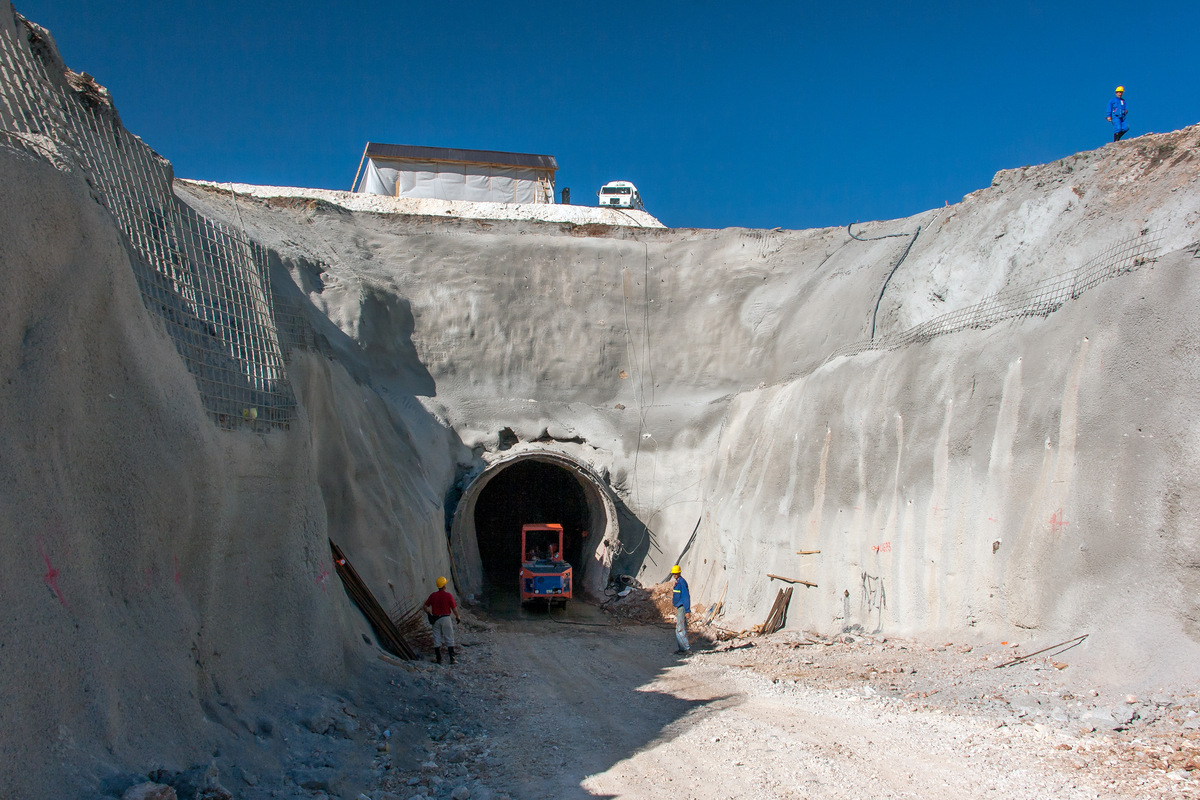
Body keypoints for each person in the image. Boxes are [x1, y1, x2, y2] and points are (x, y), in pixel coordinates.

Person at [423, 576, 461, 664]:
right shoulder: (448, 595)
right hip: (446, 618)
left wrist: (429, 613)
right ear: (444, 585)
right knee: (449, 637)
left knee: (437, 638)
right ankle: (452, 658)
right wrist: (458, 617)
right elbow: (454, 609)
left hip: (436, 619)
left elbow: (425, 607)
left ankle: (439, 658)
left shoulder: (433, 595)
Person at [670, 565, 691, 653]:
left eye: (676, 573)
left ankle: (686, 649)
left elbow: (686, 597)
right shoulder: (678, 582)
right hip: (679, 607)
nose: (674, 575)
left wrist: (687, 610)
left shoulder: (682, 582)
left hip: (682, 607)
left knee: (680, 628)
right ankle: (681, 648)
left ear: (679, 573)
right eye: (673, 573)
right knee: (678, 628)